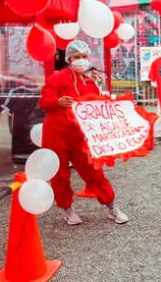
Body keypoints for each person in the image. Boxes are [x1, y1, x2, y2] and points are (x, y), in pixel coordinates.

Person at [40, 40, 128, 225]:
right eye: (76, 57)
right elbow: (45, 102)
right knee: (60, 174)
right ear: (69, 59)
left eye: (84, 57)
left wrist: (122, 107)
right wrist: (57, 102)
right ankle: (67, 208)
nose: (81, 60)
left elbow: (98, 106)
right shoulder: (57, 78)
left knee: (94, 171)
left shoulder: (90, 82)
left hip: (81, 135)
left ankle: (111, 205)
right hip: (57, 133)